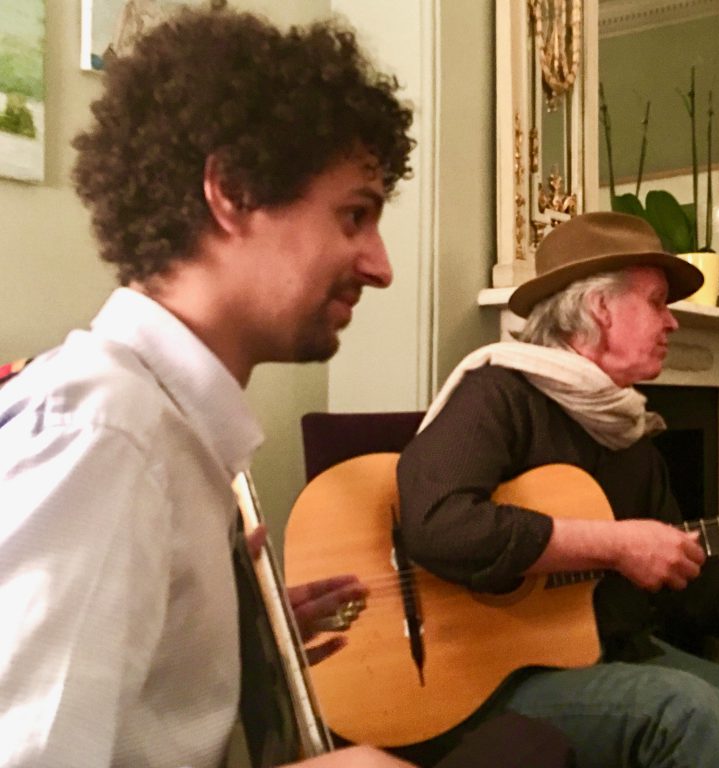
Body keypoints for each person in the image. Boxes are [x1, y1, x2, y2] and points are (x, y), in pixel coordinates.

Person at [0, 7, 421, 767]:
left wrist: (214, 643)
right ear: (231, 192)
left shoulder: (171, 431)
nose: (381, 265)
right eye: (354, 215)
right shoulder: (107, 434)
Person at [396, 211, 719, 768]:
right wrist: (614, 544)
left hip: (611, 652)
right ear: (598, 307)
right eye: (657, 301)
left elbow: (691, 591)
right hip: (485, 671)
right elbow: (437, 523)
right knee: (688, 712)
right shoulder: (498, 393)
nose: (672, 323)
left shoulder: (629, 433)